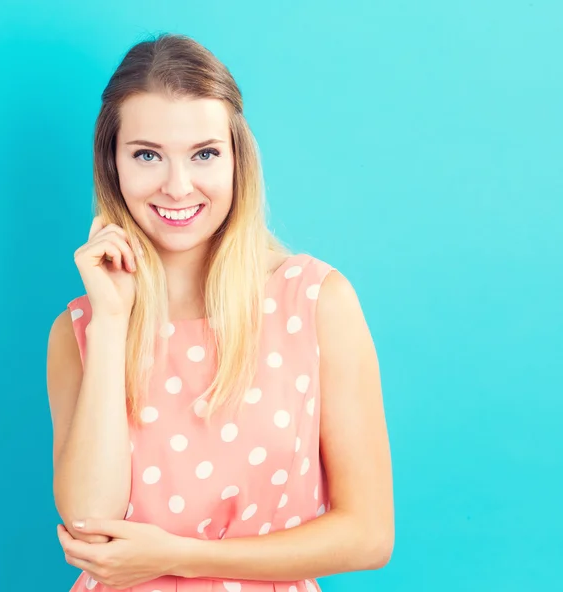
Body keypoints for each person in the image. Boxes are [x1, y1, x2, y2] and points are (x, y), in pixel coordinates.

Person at [46, 32, 394, 592]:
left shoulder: (315, 300)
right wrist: (112, 324)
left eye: (204, 154)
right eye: (147, 155)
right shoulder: (81, 330)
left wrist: (182, 556)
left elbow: (369, 534)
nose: (178, 186)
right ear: (112, 165)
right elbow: (88, 526)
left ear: (237, 160)